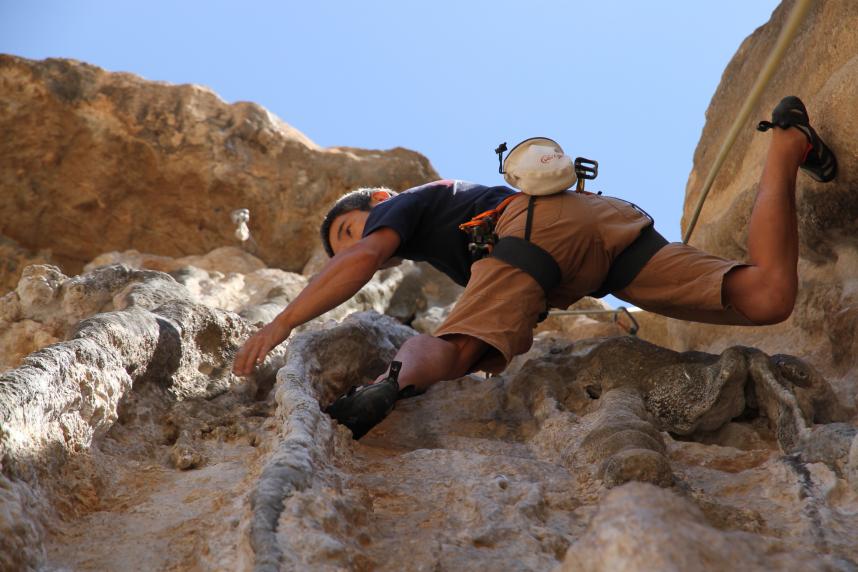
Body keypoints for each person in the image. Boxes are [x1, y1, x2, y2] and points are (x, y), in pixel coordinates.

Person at [232, 96, 837, 437]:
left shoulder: (415, 200)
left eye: (350, 228)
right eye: (342, 242)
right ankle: (787, 145)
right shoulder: (455, 222)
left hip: (532, 234)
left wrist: (280, 324)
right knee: (767, 296)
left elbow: (364, 259)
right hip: (604, 234)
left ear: (380, 202)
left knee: (458, 350)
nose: (356, 243)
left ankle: (388, 385)